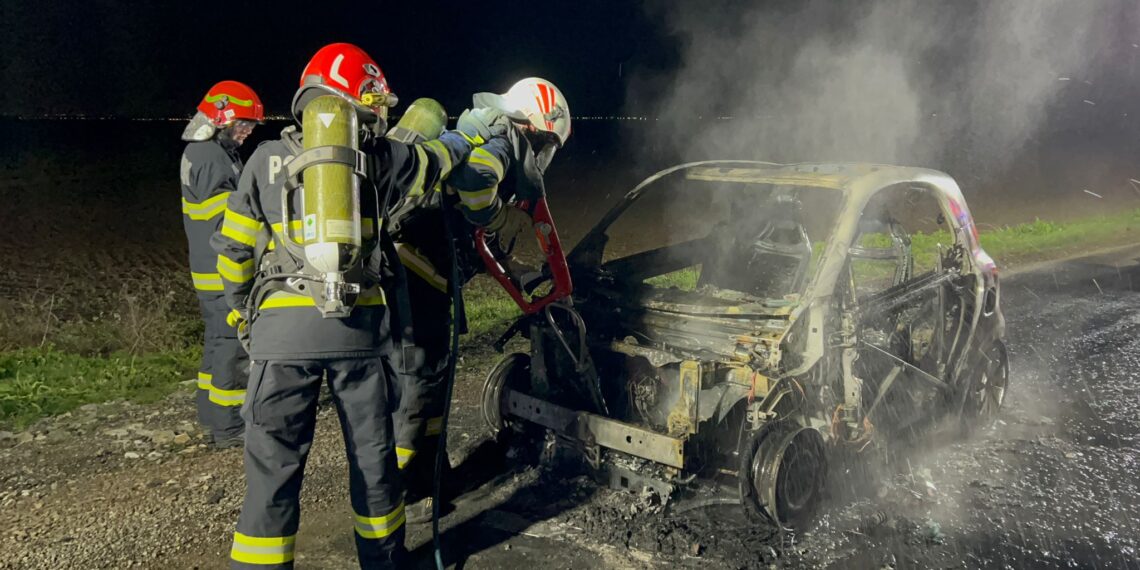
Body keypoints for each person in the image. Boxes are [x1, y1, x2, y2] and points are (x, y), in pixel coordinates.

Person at [213, 42, 507, 569]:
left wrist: (242, 316)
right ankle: (384, 562)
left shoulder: (260, 158)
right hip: (360, 336)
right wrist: (471, 132)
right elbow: (437, 159)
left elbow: (233, 253)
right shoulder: (379, 157)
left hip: (279, 340)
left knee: (273, 472)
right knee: (373, 464)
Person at [386, 77, 571, 522]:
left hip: (416, 274)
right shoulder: (503, 140)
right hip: (417, 277)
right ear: (534, 126)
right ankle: (400, 495)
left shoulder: (482, 131)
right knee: (417, 385)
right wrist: (498, 214)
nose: (544, 156)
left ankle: (433, 476)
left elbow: (474, 239)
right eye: (546, 143)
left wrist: (520, 271)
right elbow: (475, 181)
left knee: (430, 382)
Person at [179, 80, 263, 448]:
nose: (246, 133)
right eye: (242, 125)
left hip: (206, 268)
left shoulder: (206, 154)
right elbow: (228, 222)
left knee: (216, 343)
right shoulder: (212, 159)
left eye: (250, 127)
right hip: (220, 272)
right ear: (220, 119)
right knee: (232, 347)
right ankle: (230, 429)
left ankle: (210, 416)